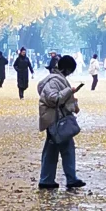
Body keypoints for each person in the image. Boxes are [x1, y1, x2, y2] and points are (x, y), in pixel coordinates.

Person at [37, 55, 86, 190]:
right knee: (63, 149)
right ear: (67, 69)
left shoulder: (56, 79)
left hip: (56, 120)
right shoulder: (53, 81)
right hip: (56, 121)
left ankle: (48, 179)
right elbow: (54, 98)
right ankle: (62, 179)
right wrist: (69, 91)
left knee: (55, 149)